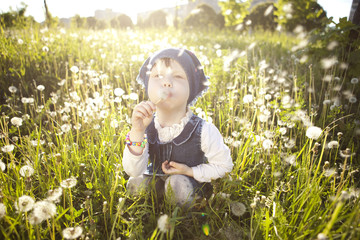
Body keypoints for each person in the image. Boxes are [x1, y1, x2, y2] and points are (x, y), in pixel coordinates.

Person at [122, 48, 233, 208]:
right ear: (147, 85)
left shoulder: (204, 130)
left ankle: (184, 219)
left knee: (177, 185)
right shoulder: (145, 126)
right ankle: (151, 208)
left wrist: (189, 171)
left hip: (188, 184)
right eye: (157, 76)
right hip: (155, 180)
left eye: (178, 76)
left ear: (192, 89)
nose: (166, 82)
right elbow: (133, 170)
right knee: (135, 183)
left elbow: (224, 166)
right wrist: (137, 131)